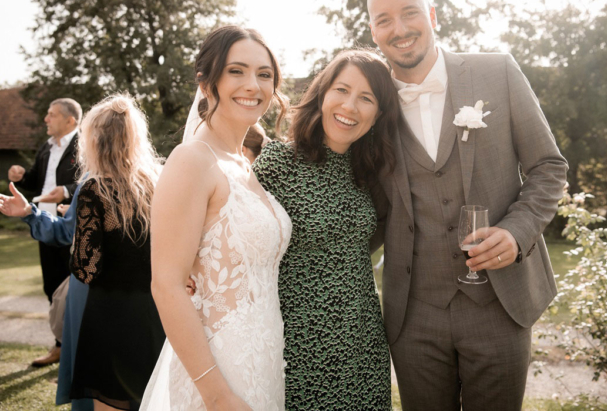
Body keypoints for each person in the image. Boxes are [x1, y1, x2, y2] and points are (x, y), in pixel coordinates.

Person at [366, 0, 569, 410]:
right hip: (413, 314)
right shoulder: (370, 99)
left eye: (409, 13)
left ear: (433, 15)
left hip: (499, 303)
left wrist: (516, 232)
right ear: (373, 31)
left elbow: (548, 167)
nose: (399, 29)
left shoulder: (496, 72)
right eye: (384, 20)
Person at [141, 25, 292, 411]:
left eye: (264, 74)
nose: (253, 85)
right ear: (207, 82)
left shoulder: (244, 163)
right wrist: (217, 396)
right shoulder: (192, 159)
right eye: (236, 71)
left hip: (265, 357)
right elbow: (167, 286)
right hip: (217, 369)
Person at [252, 48, 399, 410]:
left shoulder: (370, 171)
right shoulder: (277, 164)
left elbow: (374, 234)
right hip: (299, 347)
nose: (350, 106)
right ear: (322, 94)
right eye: (342, 90)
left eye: (366, 98)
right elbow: (235, 236)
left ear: (378, 114)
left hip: (362, 343)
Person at [69, 94, 166, 410]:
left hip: (111, 315)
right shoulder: (159, 181)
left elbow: (87, 268)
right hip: (158, 312)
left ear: (94, 140)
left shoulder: (95, 189)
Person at [0, 181, 93, 411]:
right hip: (88, 294)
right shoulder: (89, 183)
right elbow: (66, 231)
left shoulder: (152, 179)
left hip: (135, 295)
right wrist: (30, 213)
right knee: (92, 381)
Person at [8, 97, 82, 366]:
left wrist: (65, 192)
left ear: (70, 120)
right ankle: (61, 346)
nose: (46, 119)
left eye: (51, 114)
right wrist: (21, 176)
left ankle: (78, 349)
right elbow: (37, 182)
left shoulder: (85, 145)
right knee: (52, 288)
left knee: (72, 291)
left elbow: (92, 182)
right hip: (44, 226)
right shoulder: (46, 147)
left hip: (71, 229)